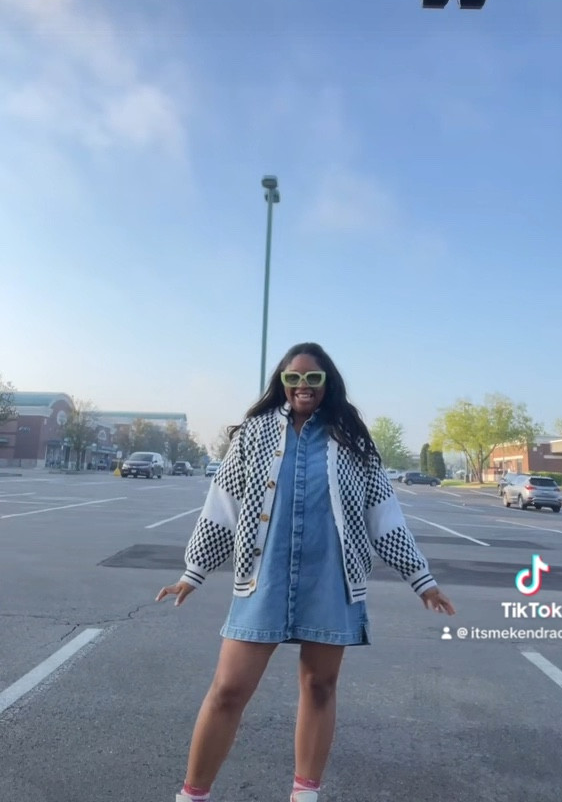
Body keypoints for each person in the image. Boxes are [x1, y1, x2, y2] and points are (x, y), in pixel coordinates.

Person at [156, 342, 455, 802]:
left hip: (330, 580)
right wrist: (192, 571)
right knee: (228, 690)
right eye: (292, 378)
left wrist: (422, 580)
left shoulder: (351, 438)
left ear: (327, 383)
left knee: (319, 686)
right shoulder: (253, 434)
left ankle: (304, 793)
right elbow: (222, 507)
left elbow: (384, 514)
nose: (302, 387)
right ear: (281, 383)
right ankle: (192, 796)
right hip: (263, 577)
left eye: (312, 379)